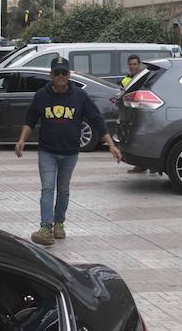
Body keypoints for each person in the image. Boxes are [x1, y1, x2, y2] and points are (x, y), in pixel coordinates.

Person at [15, 57, 122, 246]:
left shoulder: (79, 96)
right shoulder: (41, 95)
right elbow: (30, 119)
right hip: (47, 151)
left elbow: (96, 119)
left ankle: (59, 224)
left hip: (70, 153)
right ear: (51, 75)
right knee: (48, 188)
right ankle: (45, 228)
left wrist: (111, 144)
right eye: (57, 73)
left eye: (64, 73)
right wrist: (22, 140)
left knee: (63, 190)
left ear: (69, 74)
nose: (61, 76)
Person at [121, 54, 148, 174]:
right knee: (134, 140)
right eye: (130, 64)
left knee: (147, 139)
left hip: (145, 112)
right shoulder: (125, 80)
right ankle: (140, 165)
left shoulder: (145, 77)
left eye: (135, 64)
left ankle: (148, 165)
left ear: (139, 64)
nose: (133, 67)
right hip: (131, 114)